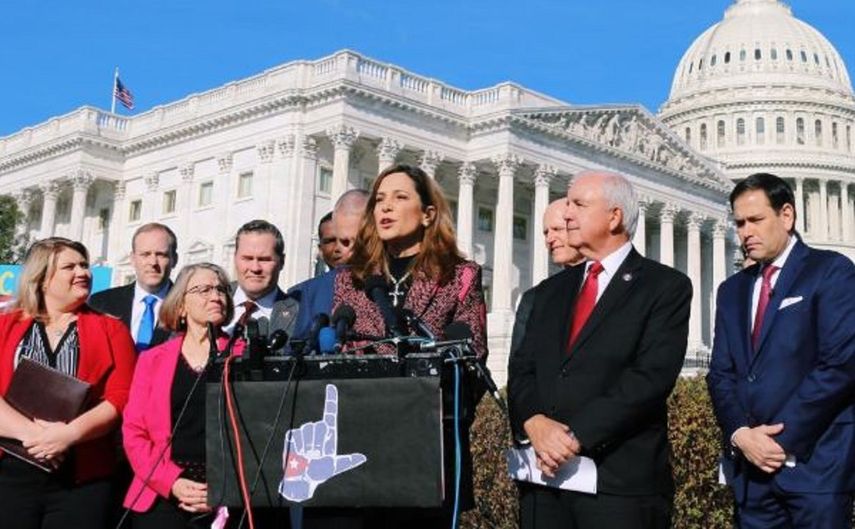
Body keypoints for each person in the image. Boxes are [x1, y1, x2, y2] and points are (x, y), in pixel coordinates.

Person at [507, 170, 692, 529]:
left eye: (579, 204)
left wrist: (573, 437)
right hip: (543, 485)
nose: (566, 214)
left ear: (614, 216)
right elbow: (522, 369)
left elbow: (649, 379)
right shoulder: (548, 293)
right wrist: (533, 422)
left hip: (617, 484)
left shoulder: (663, 287)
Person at [333, 164, 488, 527]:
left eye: (400, 198)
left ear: (428, 213)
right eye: (380, 200)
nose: (385, 208)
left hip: (429, 448)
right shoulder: (351, 279)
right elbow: (342, 356)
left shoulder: (460, 276)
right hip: (362, 442)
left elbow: (472, 357)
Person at [706, 173, 854, 529]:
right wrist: (741, 434)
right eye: (739, 223)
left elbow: (840, 365)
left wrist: (777, 440)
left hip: (816, 468)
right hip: (751, 475)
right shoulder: (732, 290)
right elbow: (720, 373)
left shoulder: (831, 271)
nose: (745, 232)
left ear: (786, 216)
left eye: (756, 220)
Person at [0, 237, 137, 529]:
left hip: (81, 475)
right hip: (10, 471)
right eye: (70, 266)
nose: (83, 272)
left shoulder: (112, 328)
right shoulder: (5, 326)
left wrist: (68, 435)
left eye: (85, 265)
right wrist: (36, 436)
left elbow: (121, 396)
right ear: (43, 278)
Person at [122, 263, 241, 528]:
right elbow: (134, 432)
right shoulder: (152, 360)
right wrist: (171, 481)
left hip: (226, 496)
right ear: (181, 305)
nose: (216, 296)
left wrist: (223, 487)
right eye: (204, 289)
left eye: (221, 289)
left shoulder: (243, 355)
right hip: (161, 493)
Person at [288, 190, 370, 343]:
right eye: (331, 240)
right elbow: (298, 347)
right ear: (320, 248)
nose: (339, 247)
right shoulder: (309, 292)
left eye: (347, 239)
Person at [510, 198, 585, 358]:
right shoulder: (533, 299)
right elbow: (519, 367)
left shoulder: (612, 286)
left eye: (557, 229)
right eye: (546, 232)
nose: (549, 239)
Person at [89, 223, 178, 351]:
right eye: (145, 254)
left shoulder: (187, 307)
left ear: (174, 259)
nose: (153, 262)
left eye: (161, 254)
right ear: (132, 259)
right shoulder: (101, 303)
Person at [227, 219, 288, 332]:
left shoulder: (299, 315)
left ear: (282, 262)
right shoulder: (210, 302)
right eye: (247, 258)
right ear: (235, 259)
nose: (255, 268)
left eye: (264, 260)